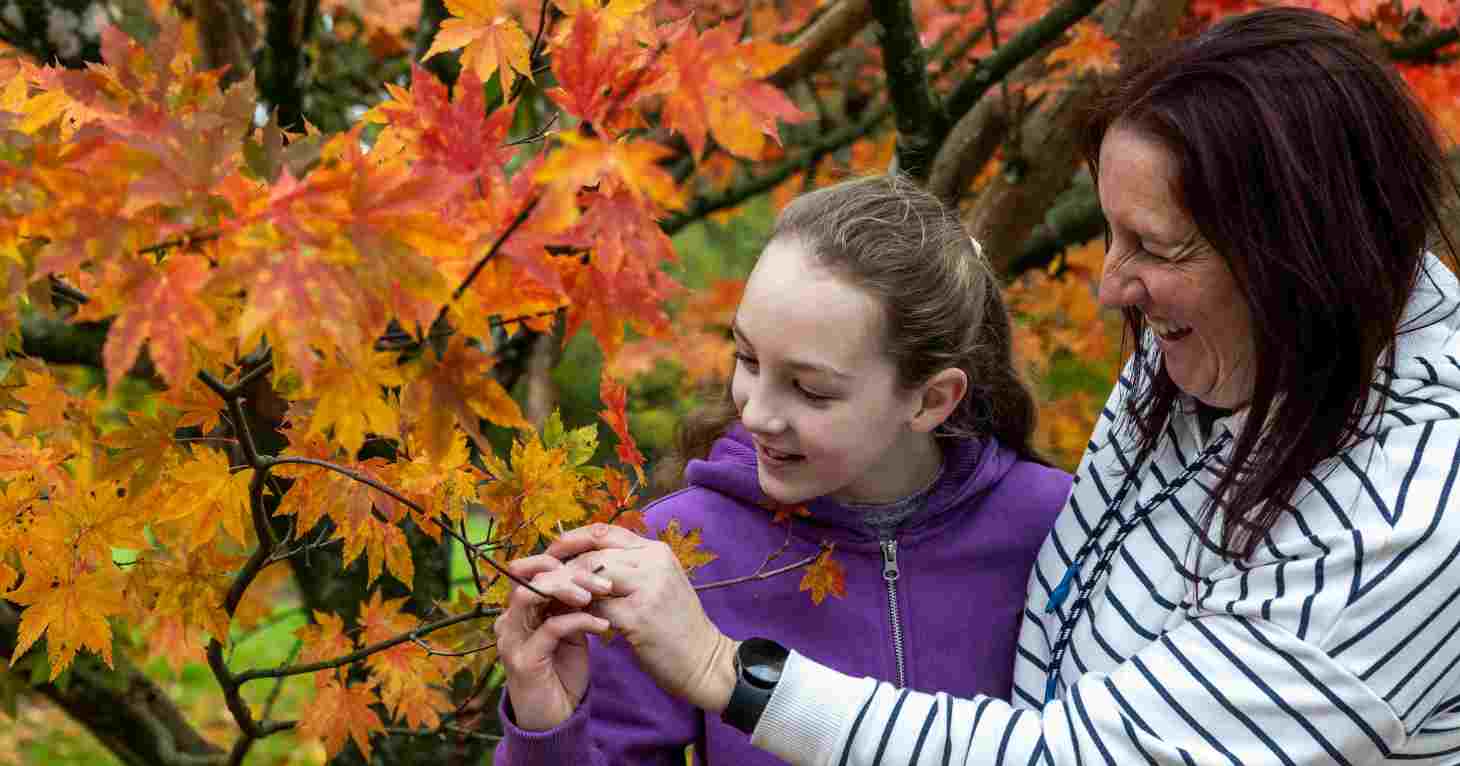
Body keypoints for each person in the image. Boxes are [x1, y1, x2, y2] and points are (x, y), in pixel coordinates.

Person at [517, 7, 1460, 764]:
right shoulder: (1224, 339)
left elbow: (1077, 755)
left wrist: (730, 672)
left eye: (1158, 248)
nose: (1109, 285)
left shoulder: (1406, 524)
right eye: (1112, 233)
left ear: (1299, 258)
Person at [491, 174, 1074, 765]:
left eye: (810, 390)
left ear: (930, 400)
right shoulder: (676, 551)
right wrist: (549, 729)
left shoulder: (1059, 530)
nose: (757, 411)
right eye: (747, 358)